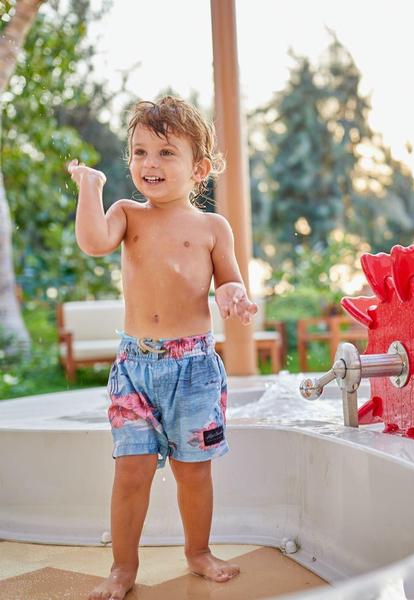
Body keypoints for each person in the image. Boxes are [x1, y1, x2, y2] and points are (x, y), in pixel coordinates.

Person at [68, 96, 257, 600]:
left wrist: (235, 295)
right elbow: (91, 241)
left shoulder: (213, 228)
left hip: (193, 369)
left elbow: (227, 281)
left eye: (165, 153)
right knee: (131, 472)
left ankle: (198, 551)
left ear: (199, 168)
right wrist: (91, 188)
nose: (149, 163)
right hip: (135, 367)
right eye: (140, 152)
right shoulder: (127, 214)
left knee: (193, 473)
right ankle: (122, 568)